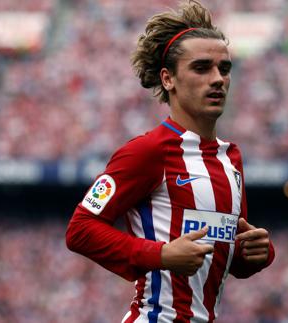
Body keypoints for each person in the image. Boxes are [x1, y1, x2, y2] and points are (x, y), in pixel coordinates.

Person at [66, 1, 275, 322]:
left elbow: (226, 256)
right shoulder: (147, 151)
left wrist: (255, 254)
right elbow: (80, 230)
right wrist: (161, 254)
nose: (218, 79)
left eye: (225, 68)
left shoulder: (230, 158)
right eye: (202, 68)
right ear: (168, 79)